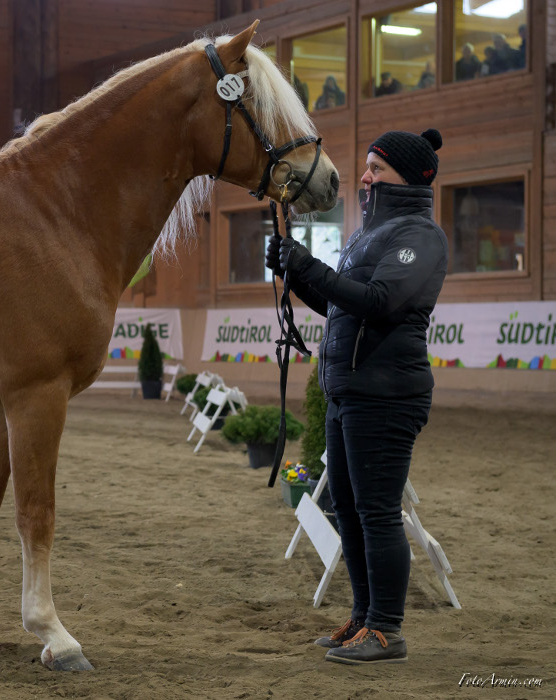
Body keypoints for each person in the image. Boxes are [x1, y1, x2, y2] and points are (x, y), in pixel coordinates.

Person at [267, 128, 448, 664]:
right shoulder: (366, 235)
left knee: (377, 512)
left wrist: (308, 266)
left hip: (386, 394)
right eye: (367, 166)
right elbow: (340, 306)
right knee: (346, 510)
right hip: (349, 391)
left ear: (406, 178)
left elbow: (378, 300)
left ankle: (387, 629)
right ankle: (364, 617)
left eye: (376, 168)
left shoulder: (421, 235)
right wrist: (294, 273)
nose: (365, 177)